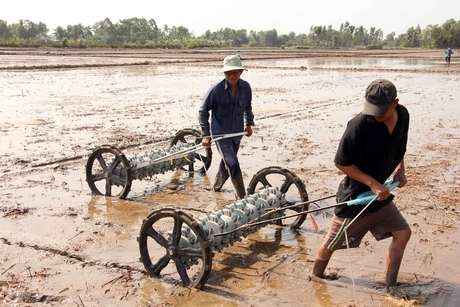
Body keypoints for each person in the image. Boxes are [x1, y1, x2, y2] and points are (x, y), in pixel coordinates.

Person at [311, 79, 412, 290]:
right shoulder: (359, 125)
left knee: (403, 232)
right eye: (372, 109)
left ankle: (390, 286)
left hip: (380, 197)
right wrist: (372, 183)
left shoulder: (402, 116)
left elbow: (400, 146)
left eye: (381, 110)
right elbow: (341, 162)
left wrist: (400, 169)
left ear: (395, 103)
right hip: (356, 198)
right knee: (330, 244)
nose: (375, 114)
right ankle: (316, 279)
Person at [198, 54, 254, 199]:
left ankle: (216, 187)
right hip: (221, 134)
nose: (232, 75)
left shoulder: (246, 88)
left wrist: (248, 123)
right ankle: (243, 198)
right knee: (233, 163)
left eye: (235, 72)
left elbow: (248, 107)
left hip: (236, 134)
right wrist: (206, 135)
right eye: (228, 72)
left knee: (227, 163)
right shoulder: (216, 89)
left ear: (240, 72)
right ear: (224, 73)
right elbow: (203, 111)